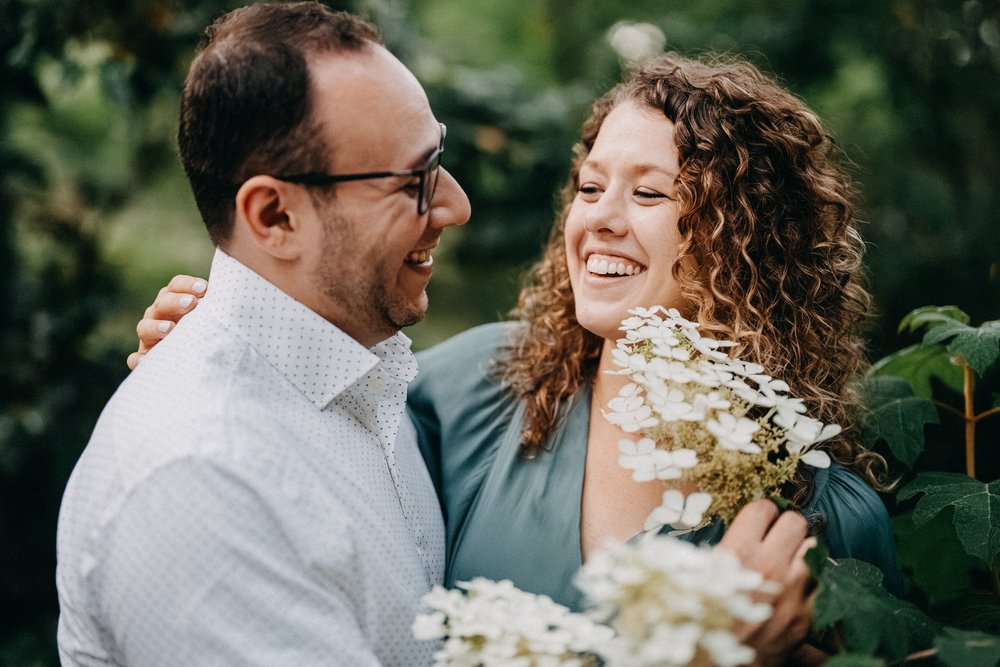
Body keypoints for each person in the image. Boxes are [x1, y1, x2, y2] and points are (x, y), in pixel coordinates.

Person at [127, 47, 902, 665]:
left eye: (651, 193)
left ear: (751, 239)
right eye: (590, 186)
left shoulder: (818, 522)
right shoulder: (486, 387)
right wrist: (225, 343)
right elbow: (315, 431)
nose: (598, 219)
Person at [56, 4, 472, 665]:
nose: (455, 204)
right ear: (275, 215)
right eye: (413, 181)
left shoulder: (361, 373)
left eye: (438, 159)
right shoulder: (203, 478)